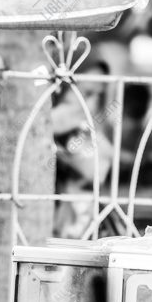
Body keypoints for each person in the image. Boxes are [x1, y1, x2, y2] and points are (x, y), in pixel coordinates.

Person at [50, 59, 114, 238]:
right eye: (87, 93)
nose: (92, 103)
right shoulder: (58, 118)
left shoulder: (92, 122)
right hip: (60, 219)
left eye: (98, 95)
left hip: (85, 218)